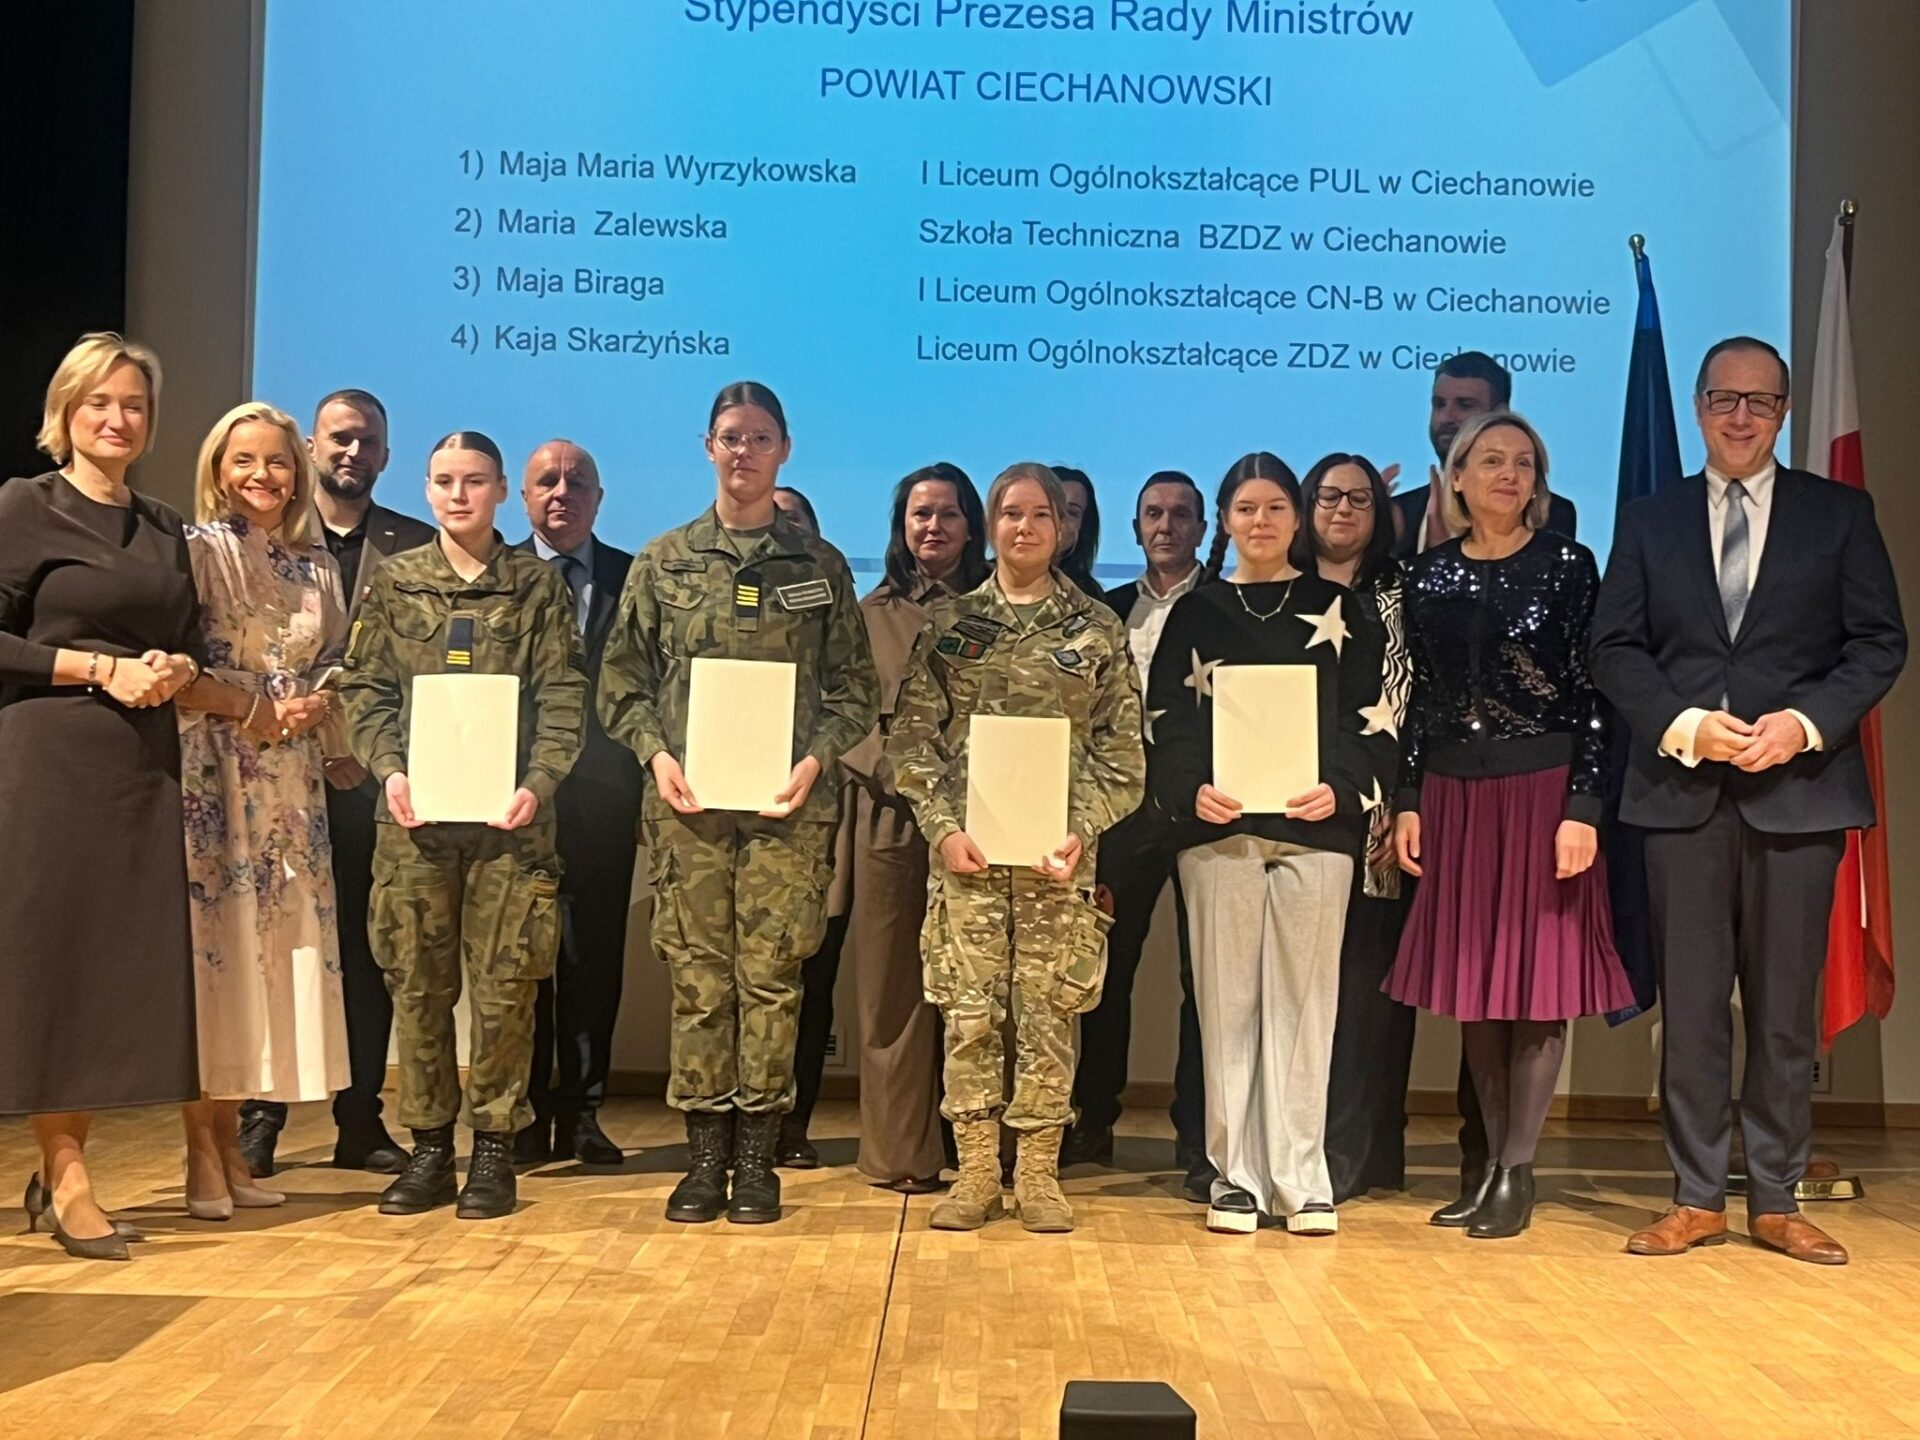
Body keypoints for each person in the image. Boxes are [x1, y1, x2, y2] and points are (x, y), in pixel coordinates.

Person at [1591, 337, 1906, 1266]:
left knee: (1782, 1012)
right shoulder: (1649, 520)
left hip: (1799, 796)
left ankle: (1775, 1197)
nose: (1741, 416)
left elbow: (1878, 644)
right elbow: (1613, 648)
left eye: (1760, 402)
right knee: (1691, 1010)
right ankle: (1695, 1198)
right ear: (1698, 408)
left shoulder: (1839, 514)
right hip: (1681, 795)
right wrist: (1682, 723)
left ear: (1785, 412)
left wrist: (1803, 726)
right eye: (1724, 399)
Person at [598, 382, 878, 1225]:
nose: (744, 452)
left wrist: (815, 760)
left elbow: (854, 688)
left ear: (784, 449)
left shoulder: (820, 567)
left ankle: (758, 1158)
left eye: (760, 438)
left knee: (771, 981)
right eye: (730, 437)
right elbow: (621, 682)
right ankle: (703, 1159)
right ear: (708, 447)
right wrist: (656, 756)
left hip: (786, 815)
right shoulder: (663, 561)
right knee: (698, 982)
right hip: (689, 813)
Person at [1386, 411, 1634, 1239]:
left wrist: (1584, 807)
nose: (1508, 474)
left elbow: (1592, 694)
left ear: (1538, 481)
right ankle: (1492, 1165)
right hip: (1456, 794)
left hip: (1542, 791)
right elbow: (1421, 696)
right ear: (1455, 477)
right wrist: (1410, 797)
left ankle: (1517, 1171)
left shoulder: (1568, 565)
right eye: (1490, 460)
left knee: (1535, 987)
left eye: (1523, 462)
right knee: (1477, 990)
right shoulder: (1426, 576)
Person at [1145, 454, 1396, 1236]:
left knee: (1306, 1006)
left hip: (1316, 834)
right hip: (1218, 835)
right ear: (1225, 520)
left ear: (1299, 517)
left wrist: (1342, 789)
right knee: (1227, 1008)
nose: (1261, 522)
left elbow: (1373, 719)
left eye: (1276, 508)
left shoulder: (1342, 609)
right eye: (1246, 509)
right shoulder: (1196, 613)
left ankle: (1301, 1176)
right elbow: (1164, 724)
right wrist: (1191, 790)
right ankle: (1235, 1178)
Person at [889, 462, 1144, 1233]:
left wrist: (1081, 828)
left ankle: (1036, 1173)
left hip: (1055, 864)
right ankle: (974, 1174)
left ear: (1062, 529)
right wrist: (942, 827)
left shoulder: (1095, 628)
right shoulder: (952, 624)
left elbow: (1124, 757)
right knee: (968, 1016)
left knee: (1048, 1015)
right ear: (990, 525)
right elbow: (911, 741)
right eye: (1010, 514)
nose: (1024, 528)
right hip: (967, 861)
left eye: (1040, 515)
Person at [339, 430, 586, 1221]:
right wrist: (390, 770)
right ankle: (429, 1149)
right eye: (444, 480)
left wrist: (538, 784)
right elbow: (365, 692)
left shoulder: (535, 588)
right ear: (425, 489)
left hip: (511, 829)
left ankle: (494, 1151)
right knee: (418, 986)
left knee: (506, 990)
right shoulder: (396, 582)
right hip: (414, 827)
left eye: (474, 481)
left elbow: (563, 697)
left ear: (502, 490)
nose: (458, 495)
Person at [2, 333, 201, 1261]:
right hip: (50, 764)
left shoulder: (163, 525)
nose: (118, 419)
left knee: (107, 974)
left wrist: (176, 666)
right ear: (66, 412)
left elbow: (187, 634)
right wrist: (95, 668)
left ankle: (61, 1170)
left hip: (141, 767)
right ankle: (68, 1176)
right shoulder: (24, 505)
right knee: (57, 965)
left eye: (134, 405)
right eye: (99, 403)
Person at [237, 388, 432, 1179]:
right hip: (279, 775)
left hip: (371, 787)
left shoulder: (417, 545)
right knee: (275, 950)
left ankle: (360, 1121)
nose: (354, 452)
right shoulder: (265, 538)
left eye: (369, 441)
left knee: (367, 953)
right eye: (340, 438)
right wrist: (319, 744)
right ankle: (260, 1119)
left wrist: (360, 749)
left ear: (386, 456)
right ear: (313, 447)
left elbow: (413, 672)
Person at [170, 402, 352, 1217]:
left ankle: (235, 1148)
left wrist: (320, 703)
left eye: (277, 460)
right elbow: (177, 668)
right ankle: (200, 1153)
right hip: (215, 773)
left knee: (266, 964)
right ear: (218, 469)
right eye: (244, 459)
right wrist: (250, 709)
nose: (262, 475)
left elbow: (339, 660)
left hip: (290, 785)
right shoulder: (196, 552)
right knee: (215, 962)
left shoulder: (317, 565)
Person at [833, 464, 991, 1190]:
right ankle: (899, 1154)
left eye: (948, 514)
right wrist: (913, 782)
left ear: (972, 525)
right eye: (920, 514)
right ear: (901, 526)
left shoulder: (1000, 608)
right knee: (892, 991)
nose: (934, 526)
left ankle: (986, 1153)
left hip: (984, 822)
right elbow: (846, 717)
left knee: (982, 992)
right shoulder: (870, 614)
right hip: (891, 818)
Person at [1064, 471, 1210, 1190]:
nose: (1166, 525)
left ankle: (1199, 1134)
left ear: (1203, 529)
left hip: (1205, 812)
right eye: (1154, 513)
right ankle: (1092, 1120)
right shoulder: (1107, 610)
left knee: (1203, 976)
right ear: (1135, 527)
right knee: (1105, 973)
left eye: (1181, 514)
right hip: (1121, 815)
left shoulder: (1224, 607)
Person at [512, 439, 643, 1167]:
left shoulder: (636, 577)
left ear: (599, 498)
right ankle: (525, 1113)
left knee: (594, 962)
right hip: (513, 802)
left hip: (605, 801)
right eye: (547, 481)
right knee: (521, 962)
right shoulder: (497, 576)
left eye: (577, 481)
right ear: (523, 497)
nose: (562, 491)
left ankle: (584, 1113)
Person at [1301, 453, 1418, 1201]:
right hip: (1291, 814)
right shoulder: (1275, 593)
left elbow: (1418, 707)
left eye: (1360, 498)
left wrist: (1403, 798)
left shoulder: (1405, 593)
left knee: (1367, 990)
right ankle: (1294, 1145)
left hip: (1378, 820)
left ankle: (1361, 1153)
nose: (1343, 510)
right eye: (1328, 496)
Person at [767, 483, 857, 1169]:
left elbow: (853, 693)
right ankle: (737, 1126)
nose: (780, 529)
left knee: (810, 976)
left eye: (794, 518)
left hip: (818, 811)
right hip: (725, 811)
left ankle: (792, 1122)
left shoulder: (832, 593)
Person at [1389, 351, 1579, 557]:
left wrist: (1445, 558)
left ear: (1499, 413)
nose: (1446, 417)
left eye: (1465, 405)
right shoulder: (1398, 511)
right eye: (1439, 404)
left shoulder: (1553, 513)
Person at [1053, 464, 1105, 599]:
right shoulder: (997, 578)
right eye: (1052, 508)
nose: (1060, 520)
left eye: (1072, 512)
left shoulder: (1089, 596)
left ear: (1084, 526)